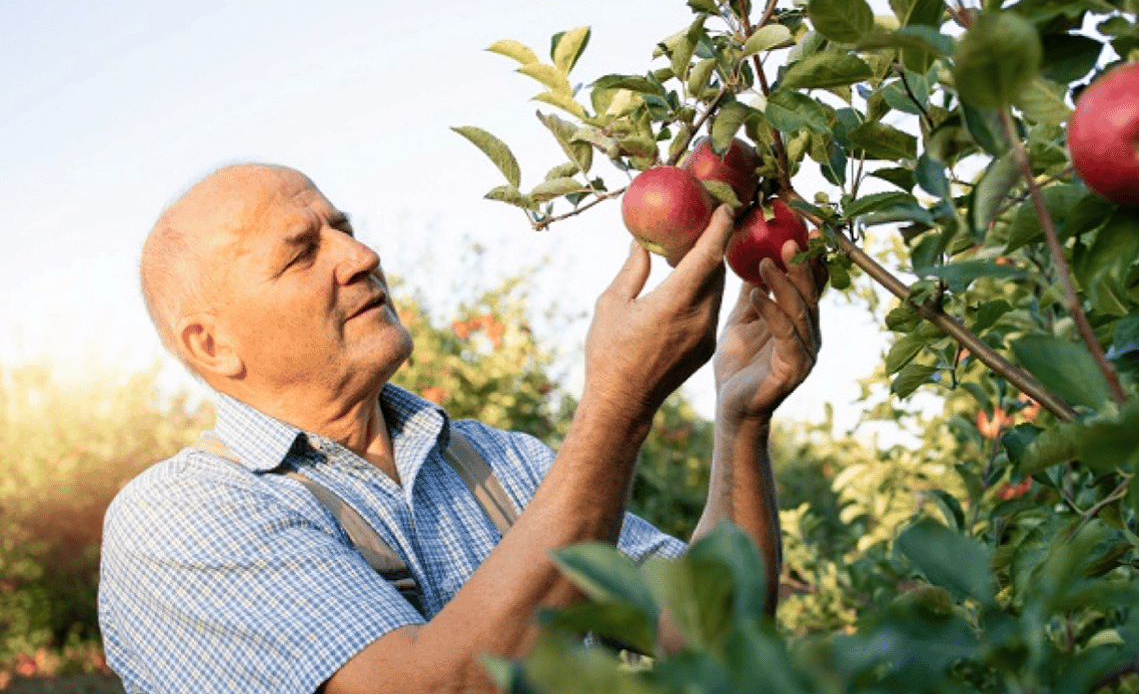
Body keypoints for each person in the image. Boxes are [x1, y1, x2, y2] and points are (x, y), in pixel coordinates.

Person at [98, 162, 824, 693]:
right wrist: (620, 403)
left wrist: (739, 420)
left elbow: (710, 633)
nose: (361, 257)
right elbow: (431, 687)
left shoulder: (499, 464)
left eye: (343, 230)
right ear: (213, 346)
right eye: (301, 252)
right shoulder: (180, 519)